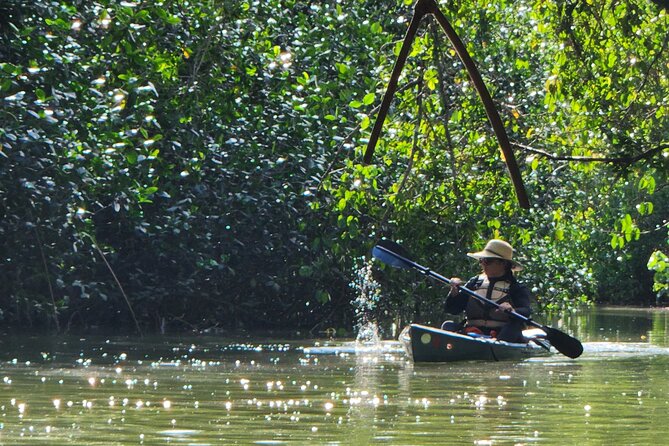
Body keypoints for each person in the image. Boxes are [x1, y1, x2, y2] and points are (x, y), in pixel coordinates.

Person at [443, 239, 531, 343]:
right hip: (473, 332)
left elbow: (526, 311)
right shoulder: (474, 283)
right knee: (447, 326)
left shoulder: (516, 288)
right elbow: (453, 310)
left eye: (488, 261)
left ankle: (498, 349)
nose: (483, 265)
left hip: (502, 334)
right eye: (482, 260)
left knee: (514, 325)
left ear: (503, 264)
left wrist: (512, 311)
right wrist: (454, 293)